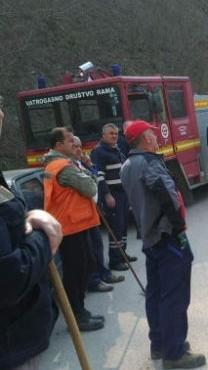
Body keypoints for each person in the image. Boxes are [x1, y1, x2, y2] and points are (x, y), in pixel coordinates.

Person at [120, 120, 206, 369]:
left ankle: (160, 344)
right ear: (146, 139)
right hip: (167, 236)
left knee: (156, 293)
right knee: (175, 295)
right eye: (153, 135)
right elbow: (168, 196)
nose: (157, 139)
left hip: (150, 238)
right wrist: (180, 226)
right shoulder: (149, 163)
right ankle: (174, 353)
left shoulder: (127, 165)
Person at [0, 102, 62, 370]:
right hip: (10, 348)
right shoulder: (62, 166)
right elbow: (10, 278)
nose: (2, 114)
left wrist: (28, 219)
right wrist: (43, 235)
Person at [43, 127, 104, 331]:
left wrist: (87, 176)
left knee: (85, 266)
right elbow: (91, 188)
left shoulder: (64, 164)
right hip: (69, 227)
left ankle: (80, 311)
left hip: (76, 224)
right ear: (59, 145)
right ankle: (76, 316)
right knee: (76, 271)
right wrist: (89, 177)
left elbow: (89, 183)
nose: (75, 145)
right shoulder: (62, 166)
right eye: (70, 141)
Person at [72, 136, 125, 292]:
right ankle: (94, 279)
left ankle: (104, 274)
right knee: (90, 250)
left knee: (97, 245)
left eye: (80, 145)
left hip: (92, 210)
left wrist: (88, 164)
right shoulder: (69, 167)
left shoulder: (80, 164)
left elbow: (95, 177)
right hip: (80, 215)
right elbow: (91, 185)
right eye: (74, 145)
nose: (79, 149)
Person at [91, 123, 136, 271]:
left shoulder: (115, 149)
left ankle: (123, 254)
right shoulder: (99, 152)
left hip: (122, 193)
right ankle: (115, 260)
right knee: (116, 228)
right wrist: (107, 195)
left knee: (123, 227)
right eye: (111, 134)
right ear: (103, 135)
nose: (114, 136)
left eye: (116, 134)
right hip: (112, 195)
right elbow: (99, 176)